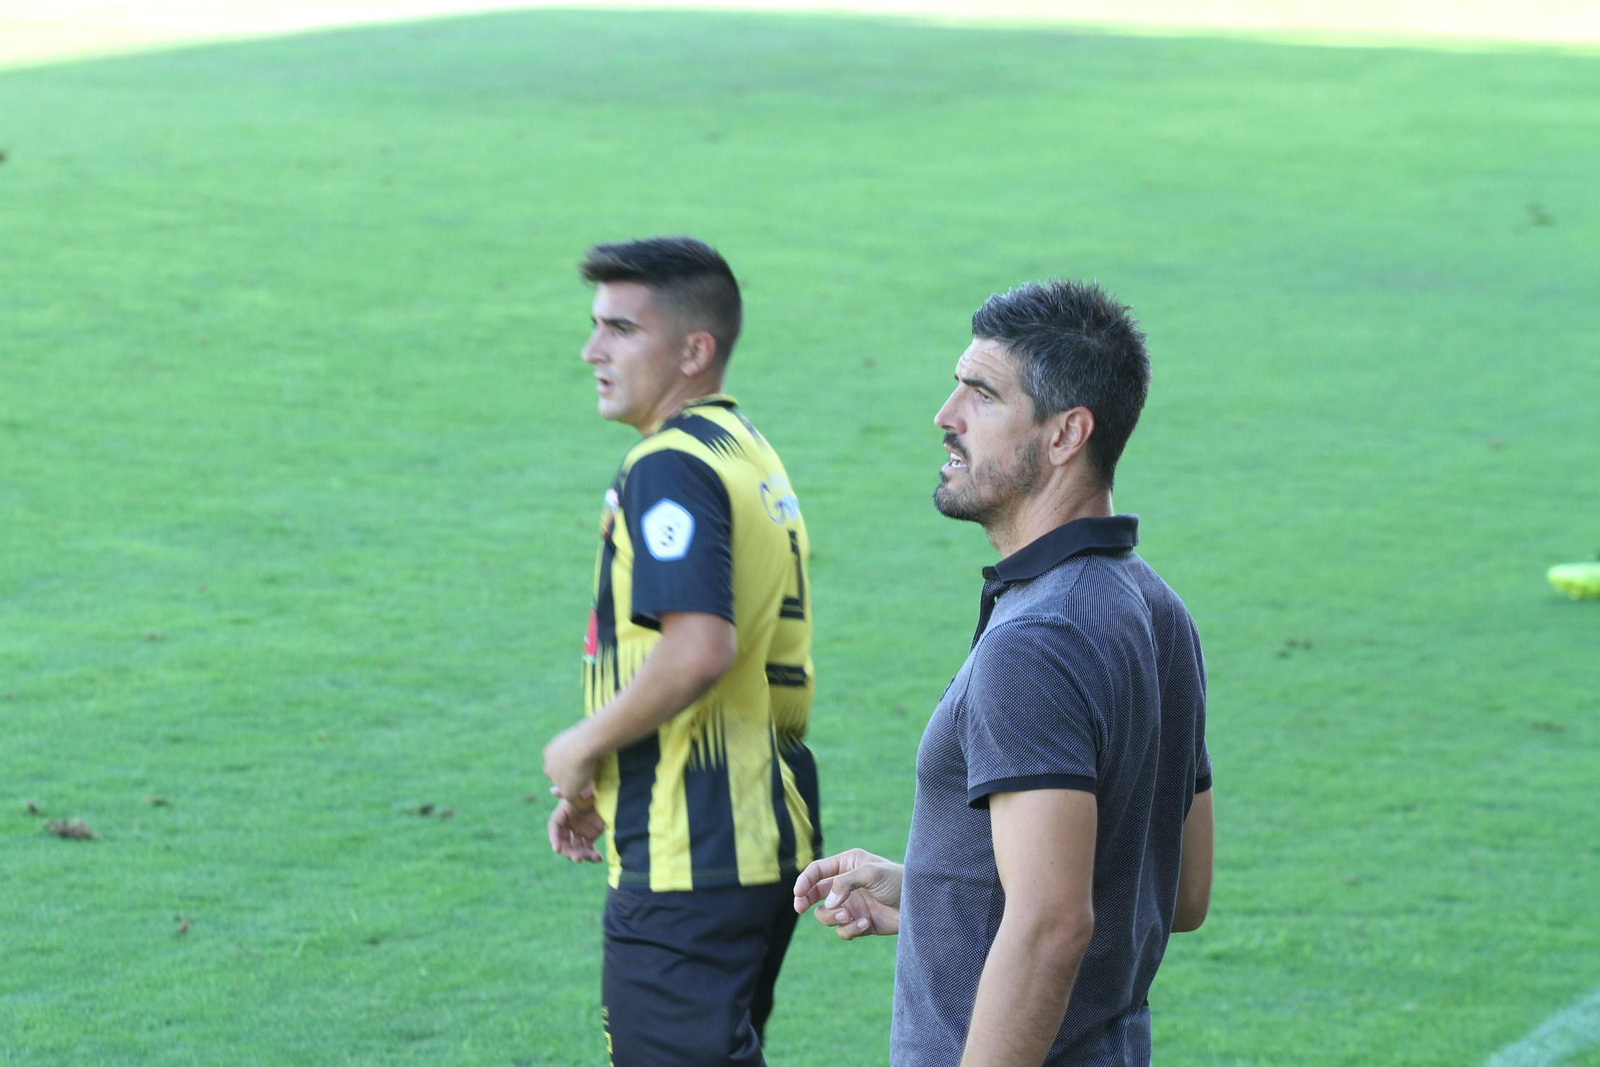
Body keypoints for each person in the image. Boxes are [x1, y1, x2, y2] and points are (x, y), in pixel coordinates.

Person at [793, 279, 1213, 1066]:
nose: (945, 416)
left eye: (981, 395)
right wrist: (931, 892)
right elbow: (1177, 893)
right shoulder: (1157, 609)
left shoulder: (1039, 640)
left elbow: (1053, 924)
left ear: (1065, 435)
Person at [542, 236, 821, 1066]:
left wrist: (581, 743)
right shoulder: (745, 450)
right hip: (756, 828)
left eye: (622, 330)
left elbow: (700, 647)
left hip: (692, 850)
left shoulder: (669, 465)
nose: (593, 350)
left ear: (694, 350)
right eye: (596, 326)